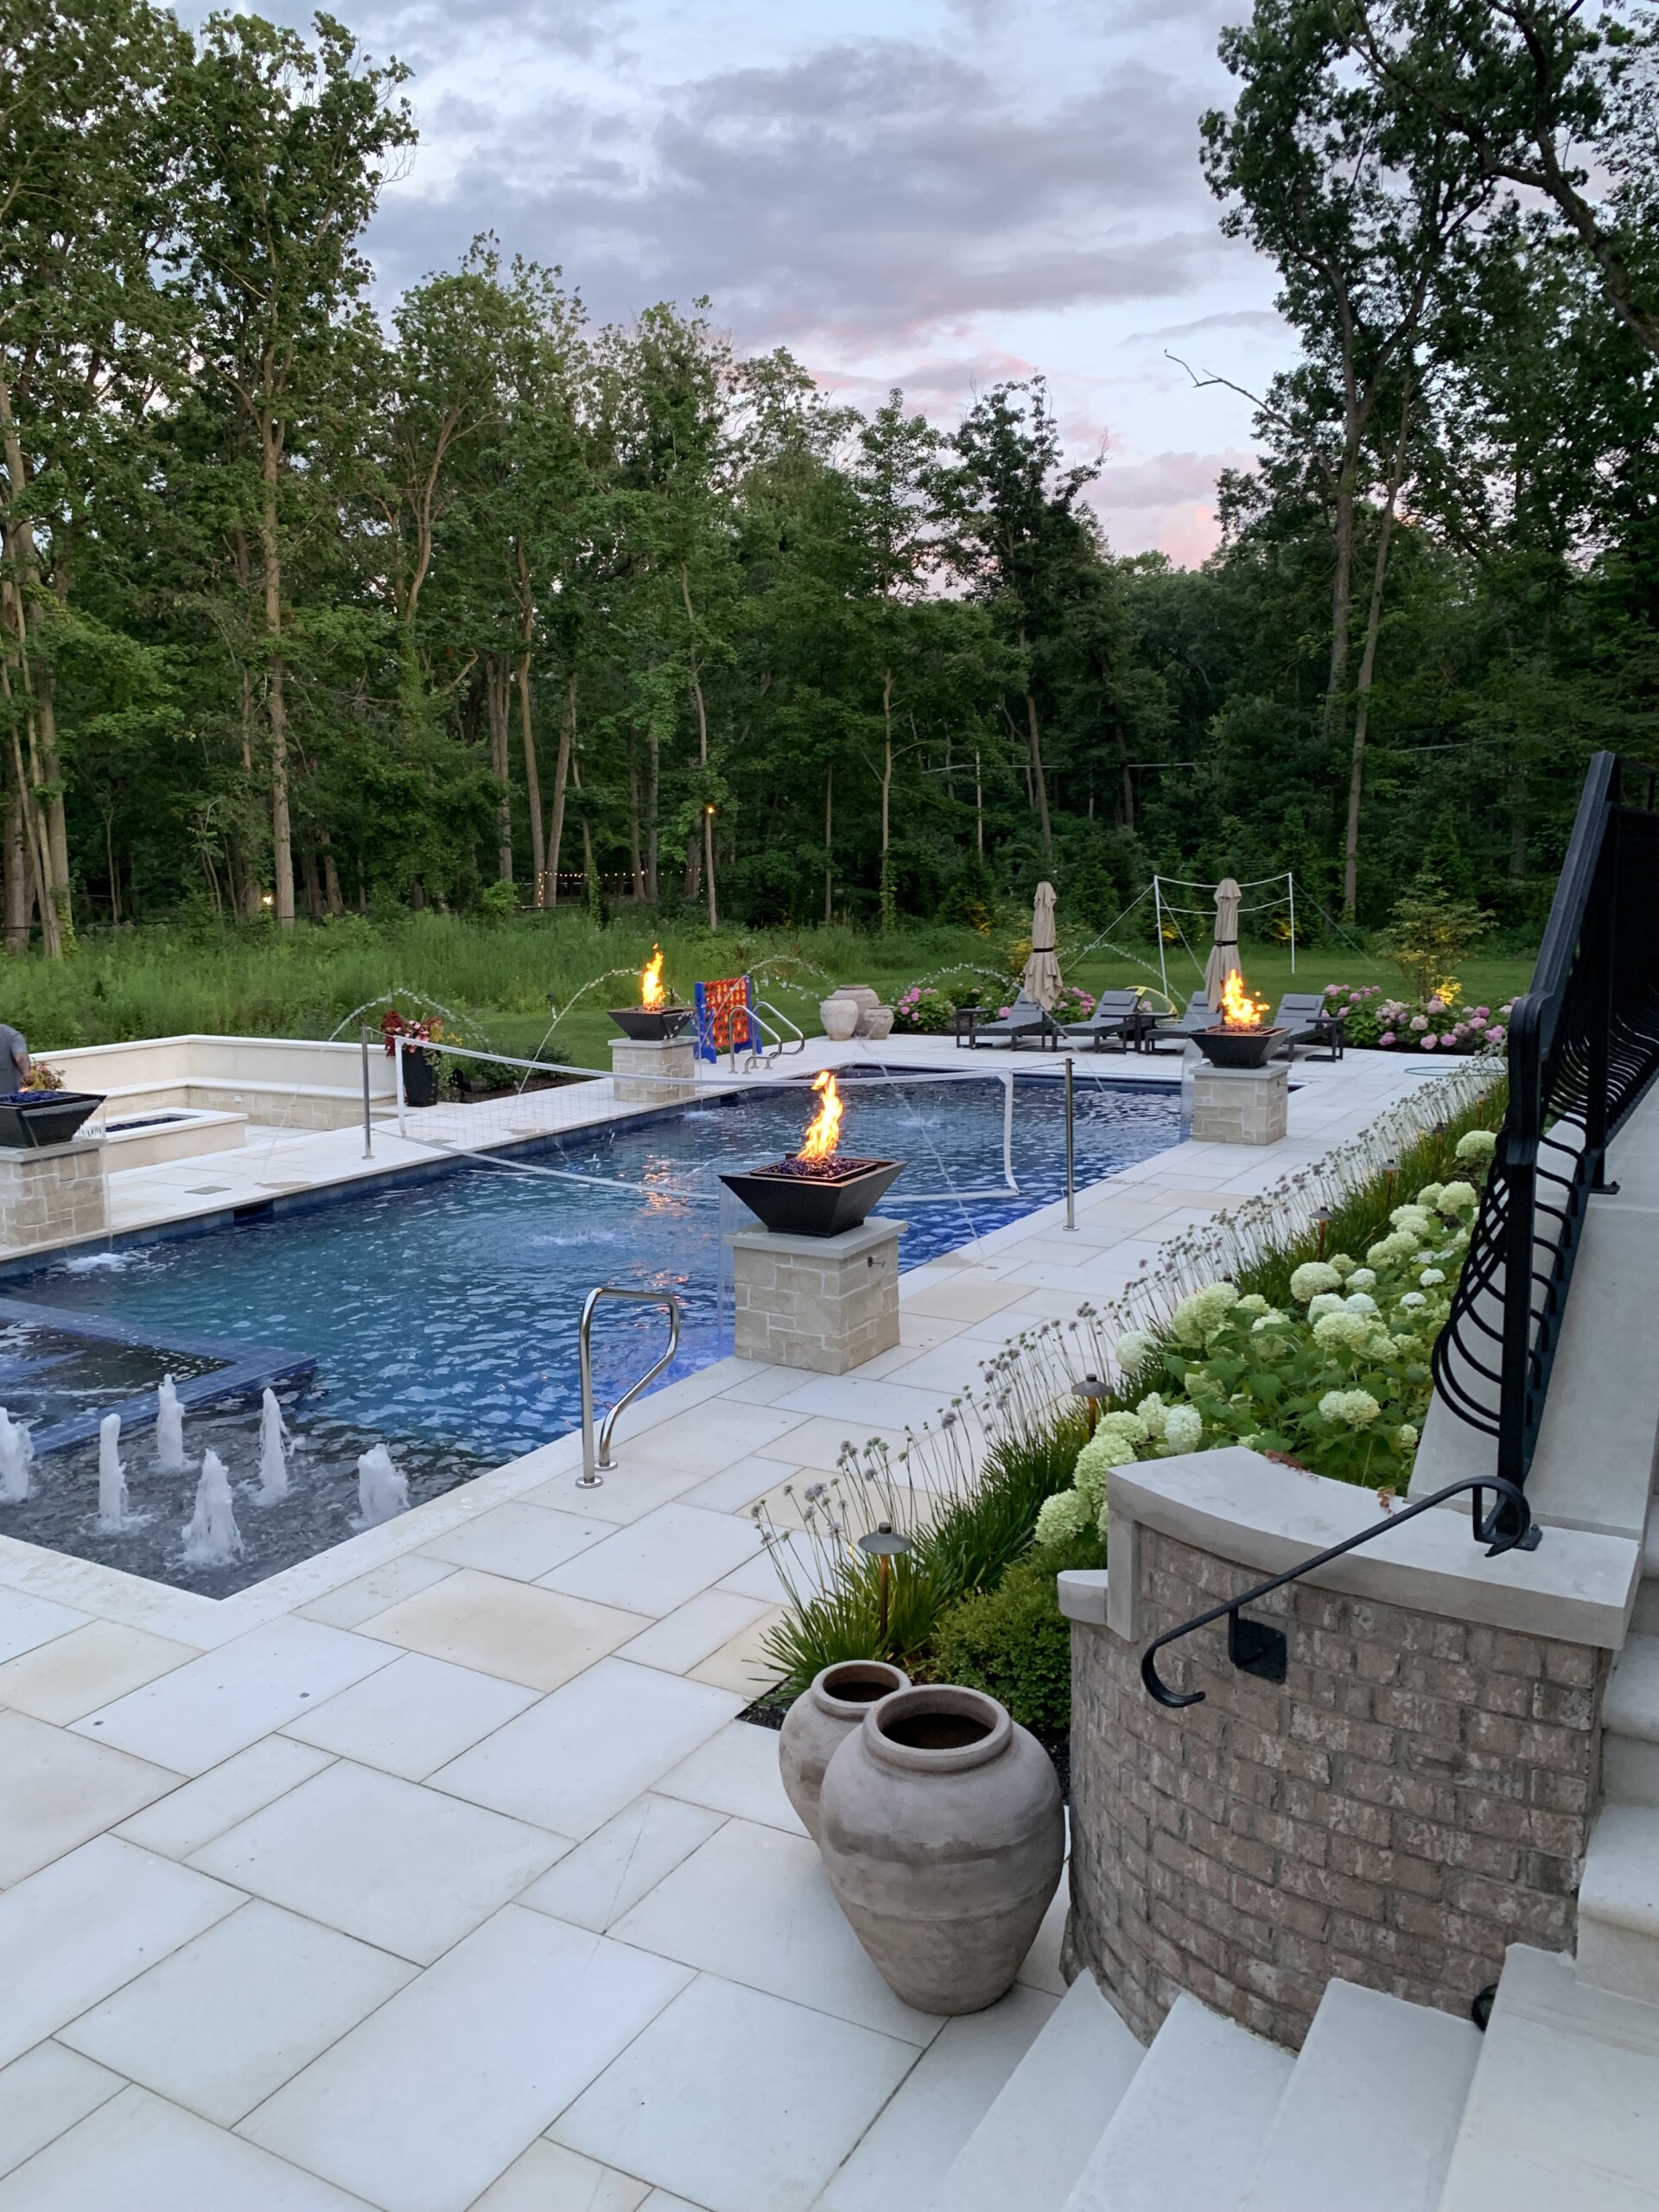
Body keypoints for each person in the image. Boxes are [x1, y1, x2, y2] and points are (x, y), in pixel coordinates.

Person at [0, 1024, 30, 1093]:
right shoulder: (11, 1034)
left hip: (8, 1093)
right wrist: (26, 1073)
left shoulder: (11, 1035)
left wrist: (26, 1072)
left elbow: (20, 1056)